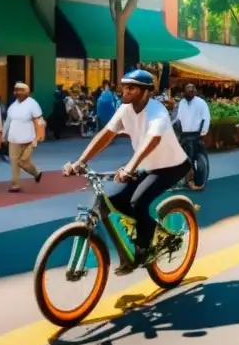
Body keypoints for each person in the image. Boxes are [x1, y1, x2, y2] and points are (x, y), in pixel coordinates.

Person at [64, 69, 190, 274]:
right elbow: (106, 135)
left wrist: (130, 167)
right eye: (124, 87)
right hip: (146, 166)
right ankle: (133, 246)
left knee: (138, 202)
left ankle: (144, 247)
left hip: (172, 166)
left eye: (131, 88)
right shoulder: (125, 109)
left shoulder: (158, 112)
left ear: (145, 92)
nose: (125, 91)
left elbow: (152, 140)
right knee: (113, 204)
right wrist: (80, 162)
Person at [3, 82, 45, 192]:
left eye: (21, 90)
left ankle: (36, 173)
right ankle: (15, 184)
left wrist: (40, 135)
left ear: (27, 92)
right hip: (13, 139)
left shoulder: (33, 104)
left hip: (29, 139)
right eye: (16, 90)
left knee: (23, 161)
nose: (18, 92)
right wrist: (4, 135)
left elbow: (39, 121)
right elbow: (8, 122)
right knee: (14, 162)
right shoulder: (12, 106)